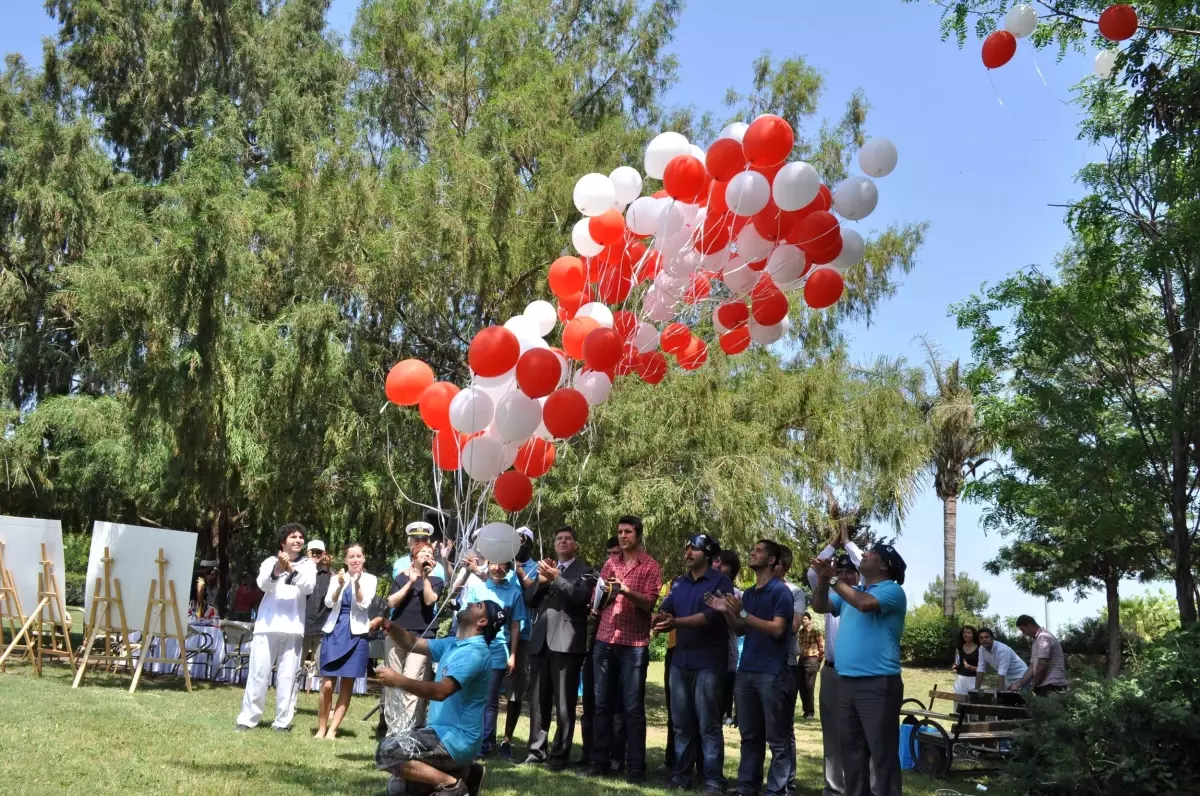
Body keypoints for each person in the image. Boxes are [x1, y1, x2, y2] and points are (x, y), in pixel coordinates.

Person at [371, 600, 503, 796]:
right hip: (442, 734)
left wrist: (398, 680)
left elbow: (441, 691)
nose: (471, 603)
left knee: (387, 752)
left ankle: (452, 785)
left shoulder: (474, 653)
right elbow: (413, 642)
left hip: (457, 739)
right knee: (398, 787)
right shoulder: (454, 644)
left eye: (478, 605)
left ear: (482, 621)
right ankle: (468, 775)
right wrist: (389, 625)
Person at [810, 542, 908, 796]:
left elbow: (864, 604)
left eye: (872, 553)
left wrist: (832, 580)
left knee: (882, 755)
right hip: (846, 683)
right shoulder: (851, 591)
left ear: (885, 565)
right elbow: (820, 607)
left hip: (878, 685)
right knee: (852, 756)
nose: (865, 555)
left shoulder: (891, 591)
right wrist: (823, 581)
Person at [708, 539, 794, 796]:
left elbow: (779, 629)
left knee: (777, 740)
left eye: (758, 551)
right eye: (752, 548)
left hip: (772, 673)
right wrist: (726, 611)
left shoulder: (781, 592)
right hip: (747, 672)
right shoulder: (749, 593)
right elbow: (741, 629)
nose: (752, 552)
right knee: (750, 736)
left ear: (771, 560)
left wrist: (743, 613)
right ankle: (747, 786)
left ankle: (777, 790)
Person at [653, 533, 734, 796]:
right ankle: (682, 775)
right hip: (681, 661)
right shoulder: (679, 584)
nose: (687, 553)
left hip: (709, 663)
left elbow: (710, 618)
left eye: (694, 549)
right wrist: (659, 618)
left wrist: (675, 622)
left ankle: (713, 780)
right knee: (681, 723)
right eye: (686, 548)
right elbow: (667, 611)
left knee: (709, 724)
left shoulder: (721, 582)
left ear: (708, 555)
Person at [589, 515, 663, 785]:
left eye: (628, 532)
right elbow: (599, 594)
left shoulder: (651, 566)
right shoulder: (611, 562)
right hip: (605, 638)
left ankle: (635, 767)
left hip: (634, 644)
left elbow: (649, 603)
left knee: (632, 708)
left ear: (638, 536)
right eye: (620, 532)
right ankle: (599, 761)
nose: (622, 536)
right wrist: (598, 599)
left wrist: (626, 590)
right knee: (601, 704)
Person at [523, 526, 596, 770]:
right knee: (538, 701)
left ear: (575, 544)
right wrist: (542, 583)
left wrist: (556, 577)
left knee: (564, 704)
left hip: (567, 644)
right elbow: (529, 600)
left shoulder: (586, 571)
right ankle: (536, 752)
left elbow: (579, 597)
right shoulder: (544, 569)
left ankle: (559, 755)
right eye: (558, 538)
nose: (562, 542)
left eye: (567, 539)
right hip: (541, 642)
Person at [235, 522, 317, 732]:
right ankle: (248, 718)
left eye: (300, 537)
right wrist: (278, 568)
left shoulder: (308, 564)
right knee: (258, 673)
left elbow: (308, 587)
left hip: (293, 627)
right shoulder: (270, 561)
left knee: (288, 676)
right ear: (283, 542)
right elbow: (263, 584)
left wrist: (289, 568)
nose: (298, 540)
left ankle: (282, 721)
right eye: (293, 537)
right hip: (267, 625)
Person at [807, 527, 864, 796]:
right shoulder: (831, 596)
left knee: (859, 735)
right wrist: (832, 544)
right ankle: (833, 789)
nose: (843, 576)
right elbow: (812, 574)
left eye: (848, 572)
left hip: (857, 675)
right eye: (839, 572)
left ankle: (861, 788)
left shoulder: (866, 593)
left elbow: (864, 565)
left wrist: (847, 543)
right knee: (831, 733)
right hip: (830, 672)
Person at [461, 559, 526, 758]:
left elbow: (515, 626)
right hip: (474, 648)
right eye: (493, 564)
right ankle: (470, 739)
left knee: (490, 700)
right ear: (487, 564)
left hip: (498, 650)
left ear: (508, 567)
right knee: (470, 697)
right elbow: (465, 616)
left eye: (502, 564)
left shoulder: (514, 592)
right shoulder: (477, 588)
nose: (497, 568)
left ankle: (486, 744)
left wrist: (513, 654)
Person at [316, 543, 378, 739]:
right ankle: (321, 727)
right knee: (327, 684)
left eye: (358, 556)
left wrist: (357, 583)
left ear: (364, 558)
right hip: (334, 631)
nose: (355, 560)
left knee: (346, 684)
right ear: (346, 560)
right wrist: (340, 586)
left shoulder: (370, 579)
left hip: (357, 635)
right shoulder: (336, 578)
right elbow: (328, 603)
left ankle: (333, 730)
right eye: (351, 556)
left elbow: (364, 604)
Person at [384, 539, 445, 735]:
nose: (427, 555)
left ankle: (404, 731)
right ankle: (392, 730)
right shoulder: (401, 578)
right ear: (413, 557)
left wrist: (425, 578)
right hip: (396, 634)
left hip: (422, 637)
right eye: (423, 553)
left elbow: (429, 601)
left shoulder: (436, 581)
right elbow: (391, 603)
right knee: (393, 682)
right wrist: (410, 581)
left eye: (430, 553)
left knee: (412, 681)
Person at [578, 536, 625, 772]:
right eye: (609, 553)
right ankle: (590, 753)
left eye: (617, 553)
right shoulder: (599, 579)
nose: (612, 558)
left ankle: (616, 756)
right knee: (591, 703)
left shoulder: (627, 581)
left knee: (615, 706)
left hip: (619, 647)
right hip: (593, 646)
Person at [499, 527, 539, 761]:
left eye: (522, 543)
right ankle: (485, 737)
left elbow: (531, 595)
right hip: (497, 635)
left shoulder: (535, 566)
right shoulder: (502, 564)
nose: (517, 546)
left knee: (515, 690)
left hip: (523, 636)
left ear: (530, 545)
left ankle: (507, 740)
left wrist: (519, 569)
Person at [774, 545, 808, 796]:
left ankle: (786, 784)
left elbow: (793, 626)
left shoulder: (795, 592)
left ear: (781, 565)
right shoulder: (753, 592)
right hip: (756, 665)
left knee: (784, 729)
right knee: (754, 730)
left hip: (785, 664)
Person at [713, 550, 742, 728]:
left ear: (731, 571)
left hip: (725, 657)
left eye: (722, 564)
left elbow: (739, 627)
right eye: (715, 561)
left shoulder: (736, 595)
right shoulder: (703, 587)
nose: (716, 566)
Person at [302, 540, 333, 687]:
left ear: (324, 554)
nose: (315, 555)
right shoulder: (299, 572)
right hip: (301, 628)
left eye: (318, 552)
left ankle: (325, 708)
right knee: (295, 670)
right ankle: (289, 706)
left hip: (322, 629)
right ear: (307, 553)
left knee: (325, 671)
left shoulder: (330, 576)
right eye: (312, 552)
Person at [1012, 615, 1068, 696]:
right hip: (1044, 685)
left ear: (1029, 625)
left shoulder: (1043, 637)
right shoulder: (1036, 640)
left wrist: (1032, 685)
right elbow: (1032, 667)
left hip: (1052, 686)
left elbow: (1042, 665)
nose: (1024, 634)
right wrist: (1018, 684)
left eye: (1023, 630)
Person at [973, 627, 1029, 693]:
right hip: (1007, 678)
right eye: (981, 638)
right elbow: (980, 670)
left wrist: (999, 695)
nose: (984, 639)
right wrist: (975, 691)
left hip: (1022, 676)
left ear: (992, 638)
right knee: (1005, 700)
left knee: (1023, 700)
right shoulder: (981, 649)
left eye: (986, 637)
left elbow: (1001, 673)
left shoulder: (1003, 650)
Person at [796, 613, 824, 719]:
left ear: (810, 620)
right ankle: (806, 711)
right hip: (802, 660)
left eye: (805, 619)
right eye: (802, 619)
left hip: (812, 660)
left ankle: (811, 712)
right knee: (801, 687)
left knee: (809, 687)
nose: (803, 621)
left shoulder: (816, 632)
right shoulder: (801, 632)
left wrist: (818, 662)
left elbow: (821, 649)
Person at [953, 626, 980, 696]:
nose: (965, 634)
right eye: (964, 633)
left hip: (974, 679)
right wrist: (955, 667)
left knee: (972, 703)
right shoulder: (959, 648)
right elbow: (957, 662)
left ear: (974, 635)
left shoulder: (980, 649)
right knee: (958, 703)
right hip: (960, 679)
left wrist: (970, 667)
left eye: (969, 632)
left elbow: (982, 669)